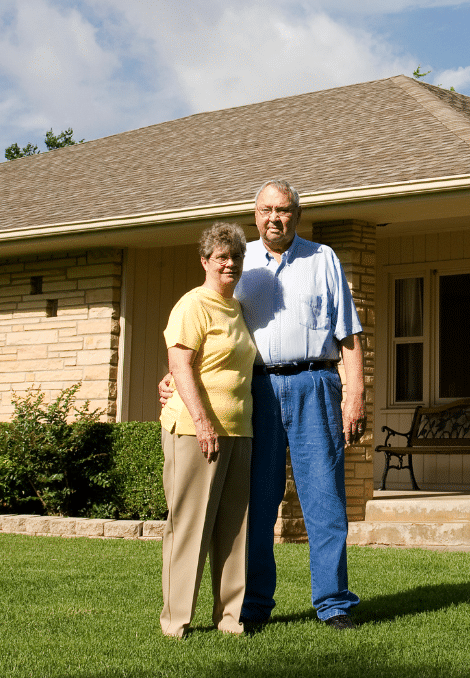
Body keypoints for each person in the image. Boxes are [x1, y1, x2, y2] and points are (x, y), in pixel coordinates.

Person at [160, 180, 366, 630]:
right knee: (257, 503)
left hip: (316, 384)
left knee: (325, 500)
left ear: (298, 213)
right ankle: (251, 606)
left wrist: (355, 395)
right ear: (255, 215)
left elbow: (348, 335)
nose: (276, 217)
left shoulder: (323, 259)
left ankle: (333, 604)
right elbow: (210, 332)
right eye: (267, 209)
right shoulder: (239, 260)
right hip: (258, 392)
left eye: (285, 209)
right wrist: (176, 373)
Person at [159, 222, 256, 640]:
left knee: (234, 529)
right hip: (195, 430)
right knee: (190, 526)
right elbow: (179, 365)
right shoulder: (193, 305)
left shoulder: (237, 309)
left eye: (235, 257)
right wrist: (201, 422)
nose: (229, 263)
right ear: (205, 261)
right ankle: (176, 620)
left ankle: (230, 618)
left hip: (239, 431)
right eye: (221, 257)